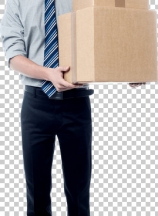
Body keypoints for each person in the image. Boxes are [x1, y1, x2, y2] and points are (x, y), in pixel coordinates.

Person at [0, 0, 145, 215]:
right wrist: (47, 73)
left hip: (76, 103)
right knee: (36, 192)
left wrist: (130, 67)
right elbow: (13, 56)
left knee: (79, 192)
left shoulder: (84, 0)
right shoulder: (17, 2)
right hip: (35, 105)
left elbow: (109, 30)